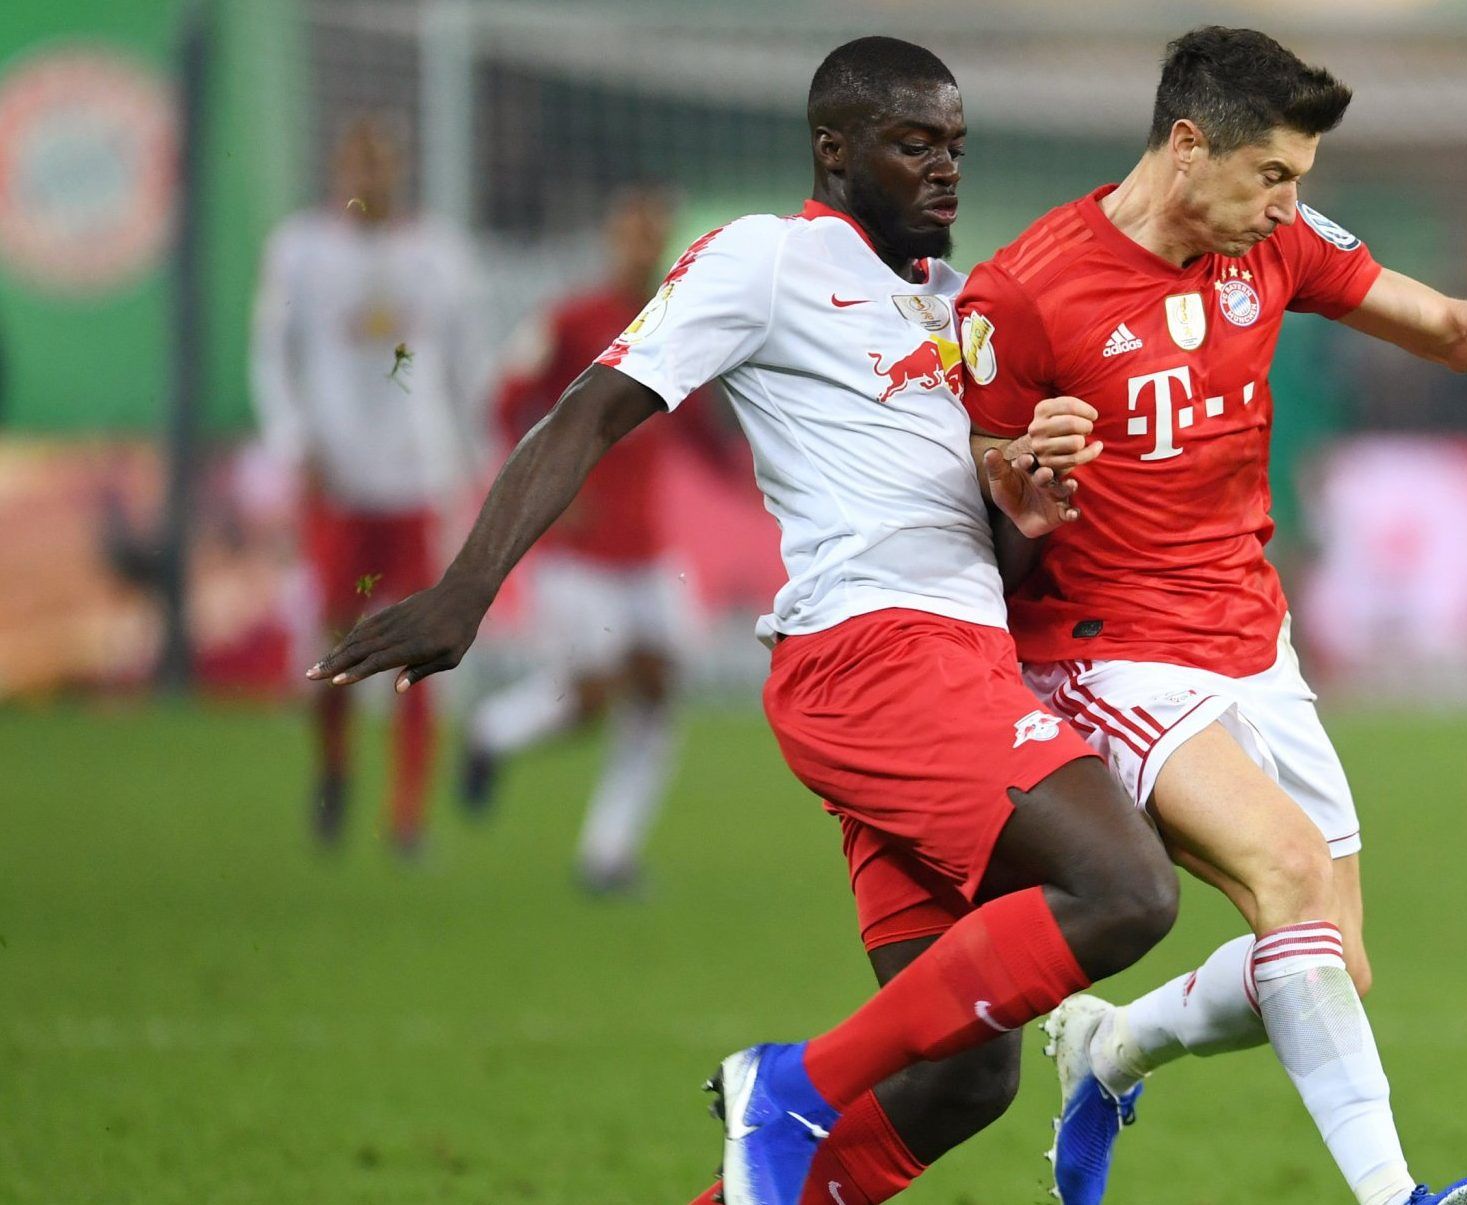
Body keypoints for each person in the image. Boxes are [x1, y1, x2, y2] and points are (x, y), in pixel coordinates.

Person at [302, 38, 1177, 1205]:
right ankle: (793, 1080)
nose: (944, 169)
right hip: (882, 658)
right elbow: (589, 408)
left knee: (966, 1076)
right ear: (834, 149)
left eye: (956, 147)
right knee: (1128, 887)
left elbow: (985, 552)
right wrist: (468, 588)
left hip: (958, 657)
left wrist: (1021, 511)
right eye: (914, 143)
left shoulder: (958, 308)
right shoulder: (765, 260)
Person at [956, 26, 1467, 1205]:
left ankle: (1113, 1045)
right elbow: (972, 513)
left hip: (1254, 639)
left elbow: (1450, 330)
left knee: (1335, 961)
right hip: (1108, 653)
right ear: (1189, 146)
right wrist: (1022, 478)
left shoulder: (1276, 240)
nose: (1289, 203)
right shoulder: (1024, 293)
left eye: (1300, 177)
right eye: (1272, 174)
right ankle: (1398, 1195)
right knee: (1288, 870)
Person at [461, 188, 718, 894]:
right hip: (575, 551)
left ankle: (608, 854)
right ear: (610, 238)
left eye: (653, 233)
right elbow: (505, 402)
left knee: (658, 686)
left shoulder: (679, 322)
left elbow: (699, 426)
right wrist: (549, 486)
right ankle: (492, 731)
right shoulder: (570, 321)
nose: (642, 245)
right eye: (631, 232)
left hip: (646, 549)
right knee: (589, 699)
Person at [252, 115, 484, 855]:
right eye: (357, 162)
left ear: (399, 169)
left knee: (423, 647)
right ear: (337, 169)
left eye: (380, 163)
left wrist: (472, 457)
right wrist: (294, 442)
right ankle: (334, 766)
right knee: (334, 642)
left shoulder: (439, 254)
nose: (368, 176)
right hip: (338, 480)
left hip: (417, 480)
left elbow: (465, 366)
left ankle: (407, 814)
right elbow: (271, 353)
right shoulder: (300, 249)